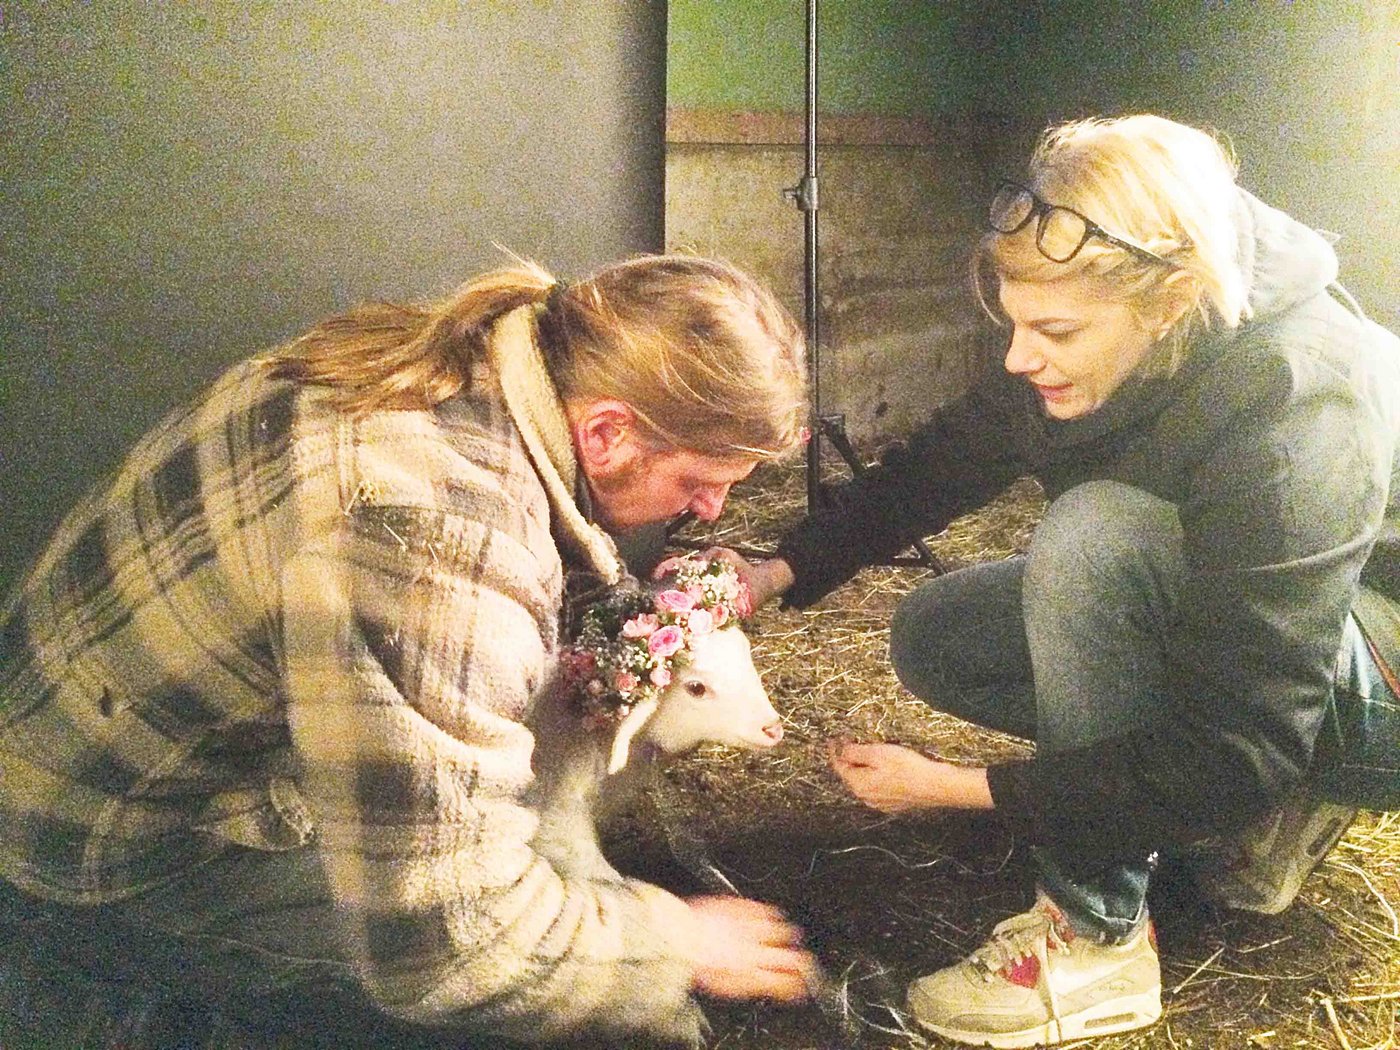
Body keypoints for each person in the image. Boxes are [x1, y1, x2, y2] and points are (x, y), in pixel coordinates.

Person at [0, 254, 817, 1048]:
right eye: (701, 480)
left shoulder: (447, 361)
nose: (712, 511)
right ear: (608, 432)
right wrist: (671, 943)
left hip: (68, 754)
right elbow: (452, 945)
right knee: (594, 1014)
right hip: (101, 859)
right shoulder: (434, 541)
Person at [727, 114, 1400, 1048]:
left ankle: (1094, 938)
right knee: (940, 631)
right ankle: (1252, 817)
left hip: (1378, 687)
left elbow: (1239, 740)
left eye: (1052, 331)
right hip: (1262, 643)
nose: (1018, 355)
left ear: (1166, 305)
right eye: (1014, 323)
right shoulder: (1114, 295)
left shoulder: (1298, 399)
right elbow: (956, 455)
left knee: (1094, 535)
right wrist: (778, 567)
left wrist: (963, 787)